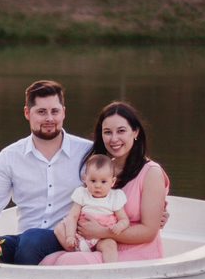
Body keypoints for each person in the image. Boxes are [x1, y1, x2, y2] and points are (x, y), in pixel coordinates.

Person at [0, 80, 91, 265]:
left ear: (63, 112)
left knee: (31, 241)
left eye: (55, 111)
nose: (49, 118)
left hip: (66, 238)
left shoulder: (87, 153)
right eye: (41, 112)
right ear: (27, 113)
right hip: (24, 241)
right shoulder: (10, 156)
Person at [40, 101, 168, 266]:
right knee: (47, 262)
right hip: (98, 246)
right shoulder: (102, 169)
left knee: (67, 262)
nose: (114, 138)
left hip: (137, 252)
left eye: (121, 131)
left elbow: (149, 232)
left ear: (135, 132)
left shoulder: (151, 173)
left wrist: (102, 231)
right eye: (107, 132)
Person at [55, 154, 125, 262]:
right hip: (81, 234)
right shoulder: (82, 194)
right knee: (59, 229)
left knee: (111, 245)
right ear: (85, 178)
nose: (97, 185)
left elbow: (124, 219)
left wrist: (119, 226)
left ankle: (110, 269)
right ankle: (78, 249)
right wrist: (70, 236)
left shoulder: (115, 197)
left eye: (103, 181)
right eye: (93, 181)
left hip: (103, 236)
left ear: (112, 182)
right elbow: (73, 216)